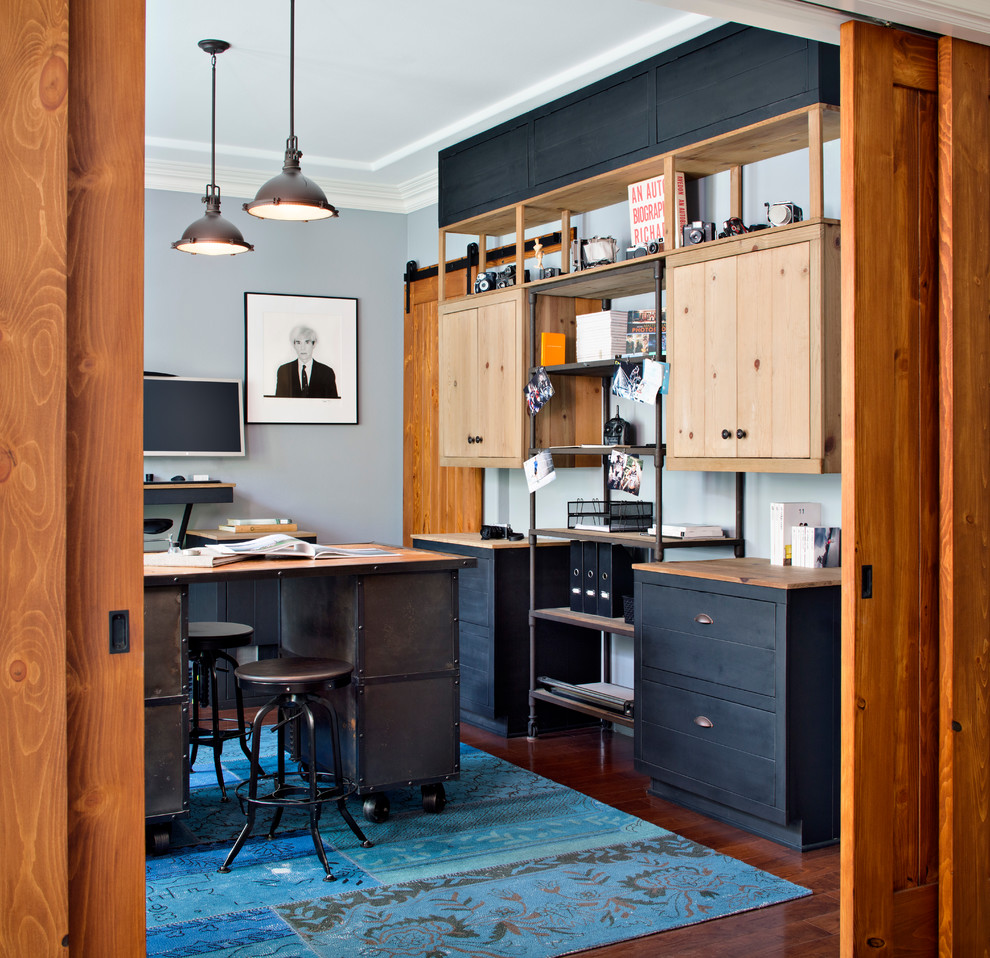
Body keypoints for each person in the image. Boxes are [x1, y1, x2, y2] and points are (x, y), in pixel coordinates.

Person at [275, 325, 339, 398]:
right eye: (298, 342)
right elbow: (279, 403)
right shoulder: (284, 371)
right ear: (294, 345)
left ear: (314, 344)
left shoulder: (327, 373)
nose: (303, 348)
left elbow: (333, 405)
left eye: (307, 342)